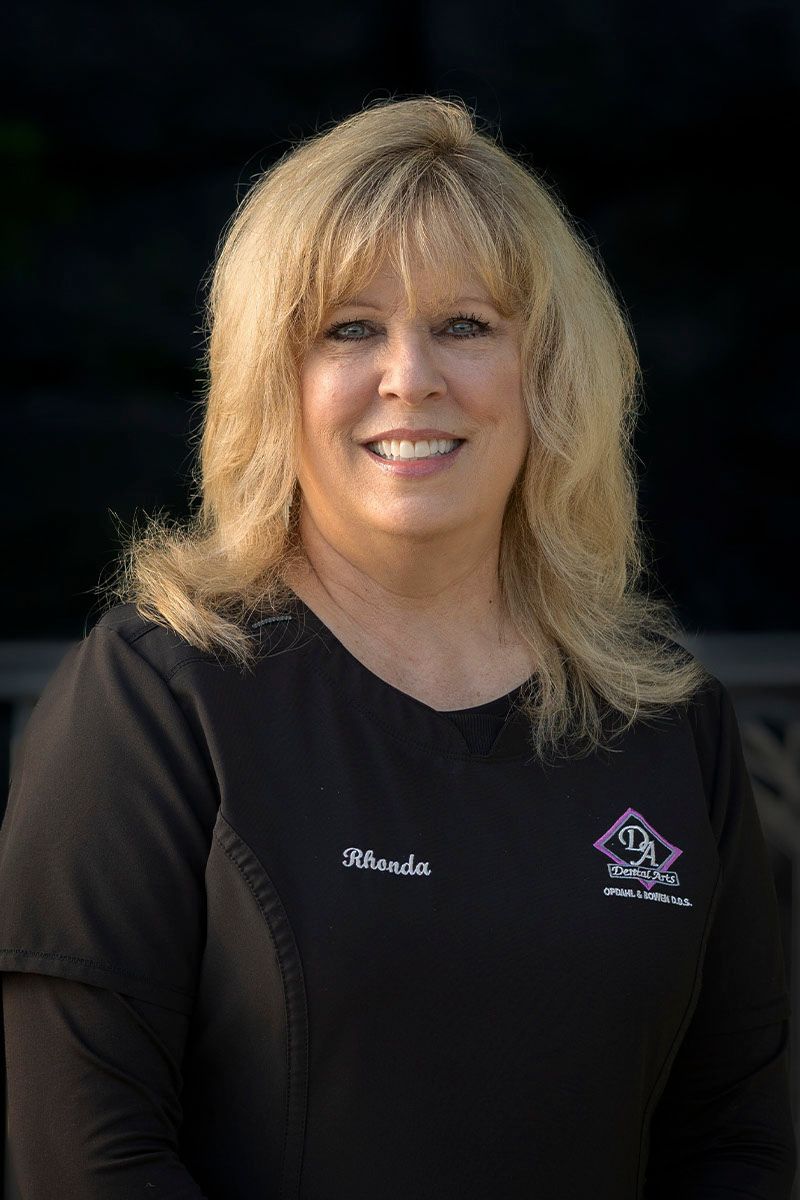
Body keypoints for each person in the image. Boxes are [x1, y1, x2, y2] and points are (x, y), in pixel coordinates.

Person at [0, 95, 795, 1199]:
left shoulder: (667, 723)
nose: (409, 375)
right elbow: (89, 1157)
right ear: (270, 381)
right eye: (347, 328)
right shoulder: (153, 697)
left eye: (464, 325)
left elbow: (739, 1142)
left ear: (545, 375)